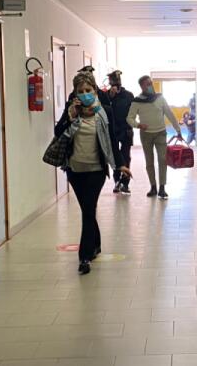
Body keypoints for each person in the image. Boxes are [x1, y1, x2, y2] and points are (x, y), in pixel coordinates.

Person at [54, 72, 131, 275]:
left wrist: (120, 164)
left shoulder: (104, 112)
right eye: (81, 91)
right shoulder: (72, 111)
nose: (85, 94)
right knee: (88, 211)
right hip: (75, 170)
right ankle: (95, 244)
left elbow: (112, 139)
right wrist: (69, 117)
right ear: (75, 93)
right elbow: (58, 132)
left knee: (88, 211)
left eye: (88, 90)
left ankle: (84, 257)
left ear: (95, 91)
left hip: (96, 170)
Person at [127, 75, 182, 199]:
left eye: (151, 83)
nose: (150, 86)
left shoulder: (160, 98)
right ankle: (153, 187)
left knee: (162, 159)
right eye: (147, 84)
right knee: (149, 161)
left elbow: (170, 114)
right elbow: (129, 118)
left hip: (160, 133)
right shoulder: (137, 101)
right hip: (146, 135)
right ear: (142, 86)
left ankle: (162, 188)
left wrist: (178, 130)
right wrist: (138, 125)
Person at [106, 70, 135, 194]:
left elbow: (134, 112)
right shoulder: (106, 95)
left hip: (126, 129)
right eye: (113, 80)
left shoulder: (128, 95)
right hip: (112, 130)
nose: (115, 83)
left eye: (117, 80)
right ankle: (117, 181)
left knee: (126, 156)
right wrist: (110, 97)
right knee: (115, 156)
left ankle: (125, 183)